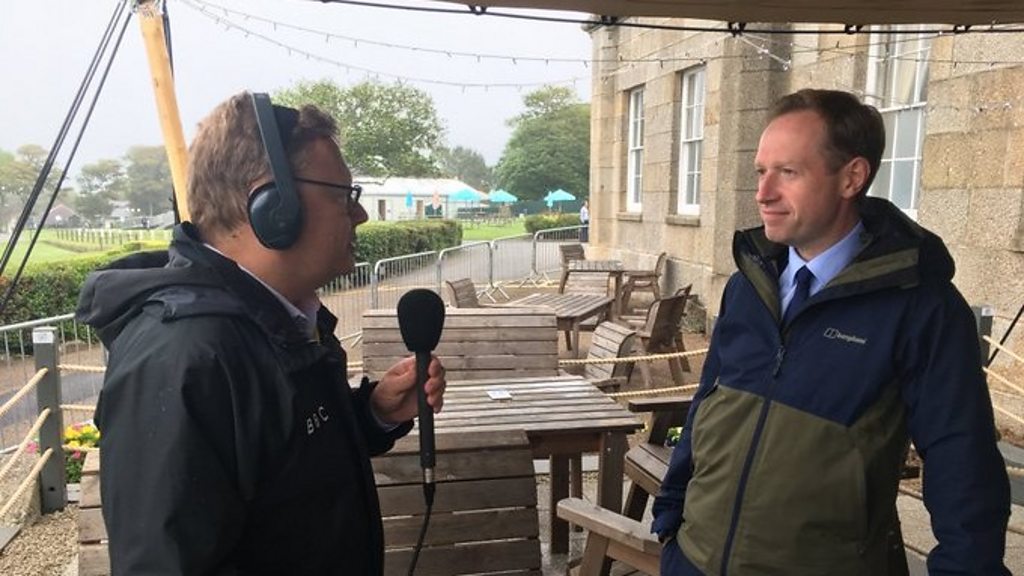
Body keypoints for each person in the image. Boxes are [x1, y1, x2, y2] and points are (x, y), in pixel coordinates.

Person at [75, 92, 446, 575]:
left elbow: (286, 463)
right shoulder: (184, 359)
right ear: (273, 206)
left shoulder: (282, 320)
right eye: (342, 195)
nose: (360, 215)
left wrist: (374, 413)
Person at [652, 89, 1010, 575]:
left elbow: (962, 461)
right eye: (760, 171)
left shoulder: (923, 307)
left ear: (851, 177)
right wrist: (671, 517)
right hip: (694, 560)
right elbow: (706, 405)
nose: (763, 193)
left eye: (788, 172)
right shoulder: (747, 285)